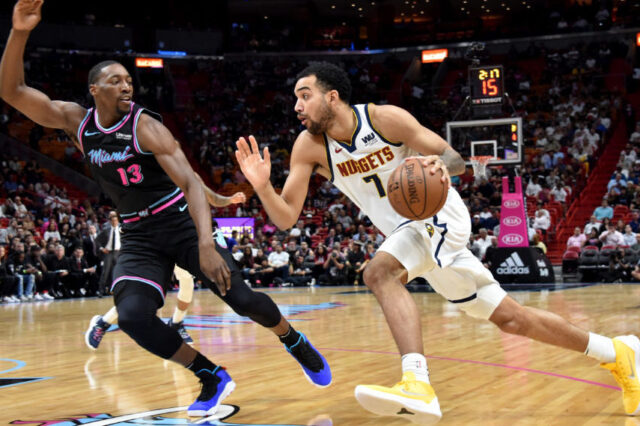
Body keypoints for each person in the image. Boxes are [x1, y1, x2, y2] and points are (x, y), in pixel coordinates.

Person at [235, 61, 640, 422]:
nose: (297, 106)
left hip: (438, 215)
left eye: (305, 96)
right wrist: (263, 186)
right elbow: (286, 216)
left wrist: (436, 163)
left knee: (379, 273)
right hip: (414, 235)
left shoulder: (384, 119)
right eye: (295, 99)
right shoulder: (309, 148)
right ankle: (617, 353)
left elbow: (455, 160)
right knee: (512, 319)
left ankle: (417, 383)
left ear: (332, 97)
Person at [0, 1, 330, 417]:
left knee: (242, 299)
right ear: (94, 90)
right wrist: (20, 32)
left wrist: (206, 245)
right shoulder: (76, 122)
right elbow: (11, 92)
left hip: (180, 224)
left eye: (128, 81)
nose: (126, 86)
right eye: (115, 81)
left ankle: (292, 339)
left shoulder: (145, 126)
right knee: (134, 316)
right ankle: (210, 375)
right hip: (139, 236)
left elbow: (190, 182)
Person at [86, 264, 197, 349]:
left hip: (179, 241)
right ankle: (102, 322)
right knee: (144, 294)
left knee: (187, 284)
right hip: (155, 245)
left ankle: (176, 324)